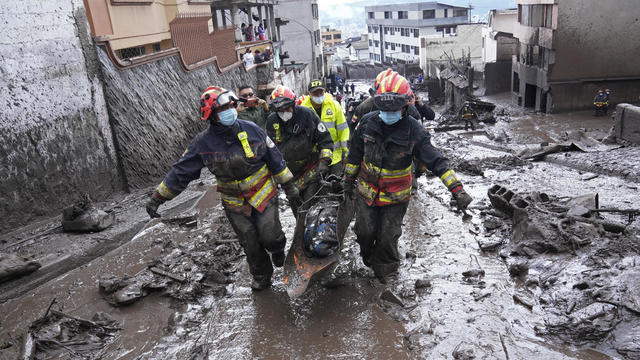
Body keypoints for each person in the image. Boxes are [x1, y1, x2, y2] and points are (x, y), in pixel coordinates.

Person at [145, 86, 301, 291]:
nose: (230, 110)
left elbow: (275, 159)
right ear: (211, 114)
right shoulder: (202, 143)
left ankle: (277, 249)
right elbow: (180, 173)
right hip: (234, 202)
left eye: (231, 105)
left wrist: (289, 187)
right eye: (224, 108)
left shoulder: (252, 130)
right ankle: (262, 275)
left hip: (263, 194)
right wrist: (158, 198)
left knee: (270, 235)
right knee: (250, 243)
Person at [343, 73, 473, 283]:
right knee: (365, 232)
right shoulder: (367, 124)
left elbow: (436, 161)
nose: (389, 113)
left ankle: (387, 273)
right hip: (367, 194)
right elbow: (355, 156)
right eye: (385, 109)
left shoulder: (414, 130)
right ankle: (369, 260)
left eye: (393, 109)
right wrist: (347, 183)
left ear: (404, 107)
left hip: (395, 198)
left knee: (388, 236)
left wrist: (457, 190)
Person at [266, 86, 334, 213]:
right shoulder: (272, 121)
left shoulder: (307, 115)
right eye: (280, 110)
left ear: (293, 104)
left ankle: (312, 230)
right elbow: (270, 151)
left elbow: (325, 140)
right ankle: (301, 230)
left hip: (310, 170)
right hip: (288, 176)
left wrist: (324, 162)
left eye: (287, 108)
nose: (284, 112)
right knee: (297, 210)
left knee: (309, 206)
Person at [298, 79, 350, 176]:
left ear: (324, 91)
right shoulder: (302, 108)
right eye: (315, 93)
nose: (318, 95)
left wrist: (346, 154)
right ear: (309, 93)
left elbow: (343, 130)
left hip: (335, 156)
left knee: (336, 185)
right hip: (314, 158)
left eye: (320, 92)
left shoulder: (334, 105)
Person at [348, 69, 422, 134]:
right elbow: (353, 132)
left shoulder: (410, 110)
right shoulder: (365, 108)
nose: (388, 105)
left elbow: (420, 133)